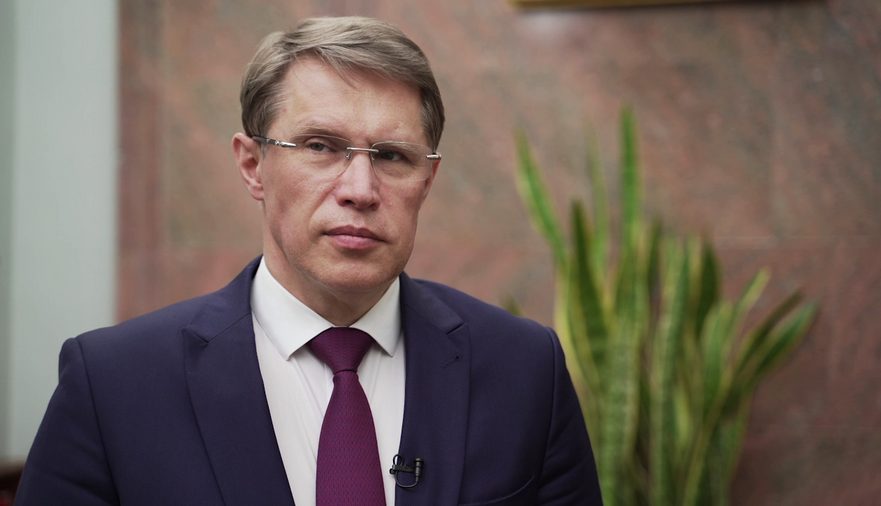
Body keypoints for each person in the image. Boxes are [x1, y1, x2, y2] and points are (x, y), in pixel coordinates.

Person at [16, 16, 602, 506]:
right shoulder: (114, 384)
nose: (360, 189)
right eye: (321, 146)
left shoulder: (525, 369)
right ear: (253, 166)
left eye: (392, 156)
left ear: (427, 180)